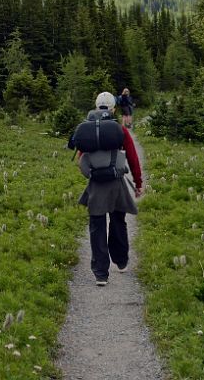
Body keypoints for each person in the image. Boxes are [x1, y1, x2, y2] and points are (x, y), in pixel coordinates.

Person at [70, 91, 144, 286]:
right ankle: (120, 261)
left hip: (95, 185)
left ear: (96, 107)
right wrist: (138, 183)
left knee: (97, 226)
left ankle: (100, 273)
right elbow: (133, 158)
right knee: (118, 221)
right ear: (113, 108)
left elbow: (81, 158)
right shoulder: (120, 130)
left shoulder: (87, 130)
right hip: (116, 184)